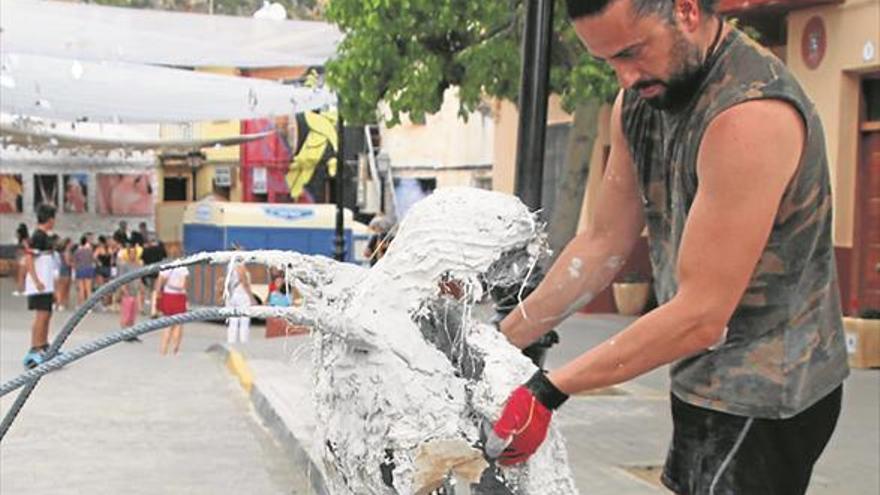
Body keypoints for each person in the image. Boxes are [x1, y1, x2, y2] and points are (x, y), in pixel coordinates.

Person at [489, 2, 849, 494]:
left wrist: (548, 391)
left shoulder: (750, 115)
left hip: (769, 390)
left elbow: (702, 315)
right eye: (608, 61)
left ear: (685, 10)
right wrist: (499, 340)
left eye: (632, 52)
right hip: (701, 372)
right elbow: (602, 243)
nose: (625, 76)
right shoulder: (640, 100)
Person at [22, 204, 57, 369]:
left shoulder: (45, 236)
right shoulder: (38, 236)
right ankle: (34, 348)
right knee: (41, 316)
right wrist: (36, 281)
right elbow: (29, 259)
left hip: (47, 284)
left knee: (47, 314)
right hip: (40, 284)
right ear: (50, 220)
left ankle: (43, 345)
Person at [154, 265, 188, 355]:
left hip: (168, 295)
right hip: (179, 297)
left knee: (167, 324)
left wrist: (158, 295)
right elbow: (183, 285)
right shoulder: (183, 267)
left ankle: (163, 350)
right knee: (178, 324)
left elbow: (159, 283)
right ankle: (175, 349)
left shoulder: (165, 266)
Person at [225, 246, 256, 344]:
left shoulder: (230, 265)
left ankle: (231, 342)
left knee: (233, 321)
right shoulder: (239, 265)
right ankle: (244, 343)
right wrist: (251, 297)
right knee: (244, 321)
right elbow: (244, 281)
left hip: (232, 294)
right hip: (242, 295)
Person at [117, 241, 144, 342]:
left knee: (133, 313)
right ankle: (124, 333)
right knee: (126, 313)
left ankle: (132, 333)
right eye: (131, 253)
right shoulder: (124, 265)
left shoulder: (138, 264)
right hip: (127, 291)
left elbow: (139, 277)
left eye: (134, 253)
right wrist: (124, 290)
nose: (133, 255)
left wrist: (141, 287)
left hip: (135, 290)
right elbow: (122, 278)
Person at [141, 236, 167, 315]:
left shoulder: (146, 250)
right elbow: (164, 257)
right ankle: (155, 308)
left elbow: (142, 259)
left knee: (148, 290)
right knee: (156, 290)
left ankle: (146, 308)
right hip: (157, 272)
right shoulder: (160, 249)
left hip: (148, 272)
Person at [73, 235, 95, 306]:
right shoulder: (89, 250)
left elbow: (75, 261)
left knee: (81, 288)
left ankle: (81, 304)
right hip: (89, 268)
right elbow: (93, 259)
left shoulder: (77, 251)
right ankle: (89, 305)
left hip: (80, 269)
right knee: (88, 289)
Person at [93, 235, 113, 310]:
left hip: (101, 268)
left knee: (101, 287)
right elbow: (111, 260)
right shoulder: (109, 249)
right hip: (107, 268)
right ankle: (106, 303)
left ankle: (102, 303)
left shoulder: (99, 249)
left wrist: (98, 262)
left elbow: (94, 257)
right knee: (107, 286)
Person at [54, 237, 73, 311]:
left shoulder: (63, 252)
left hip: (63, 270)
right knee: (63, 288)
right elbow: (67, 262)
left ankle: (61, 303)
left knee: (63, 288)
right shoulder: (67, 252)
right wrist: (74, 264)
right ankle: (60, 303)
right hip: (65, 270)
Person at [13, 223, 29, 296]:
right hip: (22, 258)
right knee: (22, 275)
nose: (16, 234)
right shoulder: (24, 240)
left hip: (23, 258)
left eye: (17, 233)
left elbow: (27, 249)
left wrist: (21, 252)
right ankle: (23, 289)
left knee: (21, 275)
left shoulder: (24, 241)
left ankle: (20, 290)